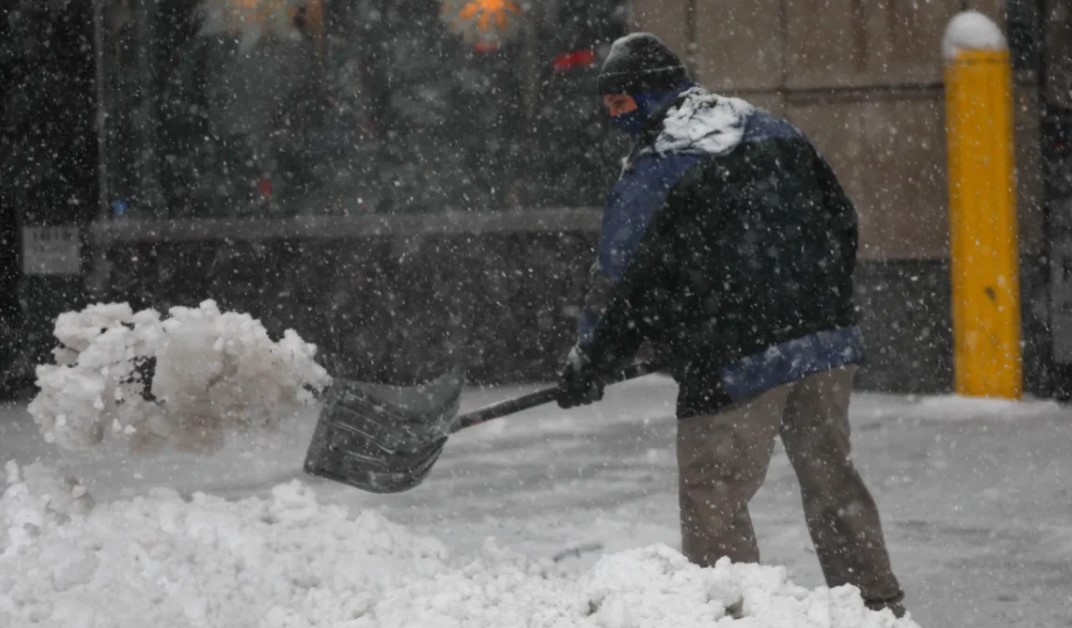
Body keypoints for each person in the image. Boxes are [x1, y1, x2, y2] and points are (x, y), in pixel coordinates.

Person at [556, 32, 906, 617]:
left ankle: (735, 612)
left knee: (713, 494)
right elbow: (840, 218)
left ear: (654, 94)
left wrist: (591, 360)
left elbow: (623, 279)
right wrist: (818, 304)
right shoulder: (768, 127)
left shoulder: (661, 161)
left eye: (622, 104)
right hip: (824, 343)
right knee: (832, 484)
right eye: (608, 107)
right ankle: (877, 606)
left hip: (737, 358)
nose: (616, 119)